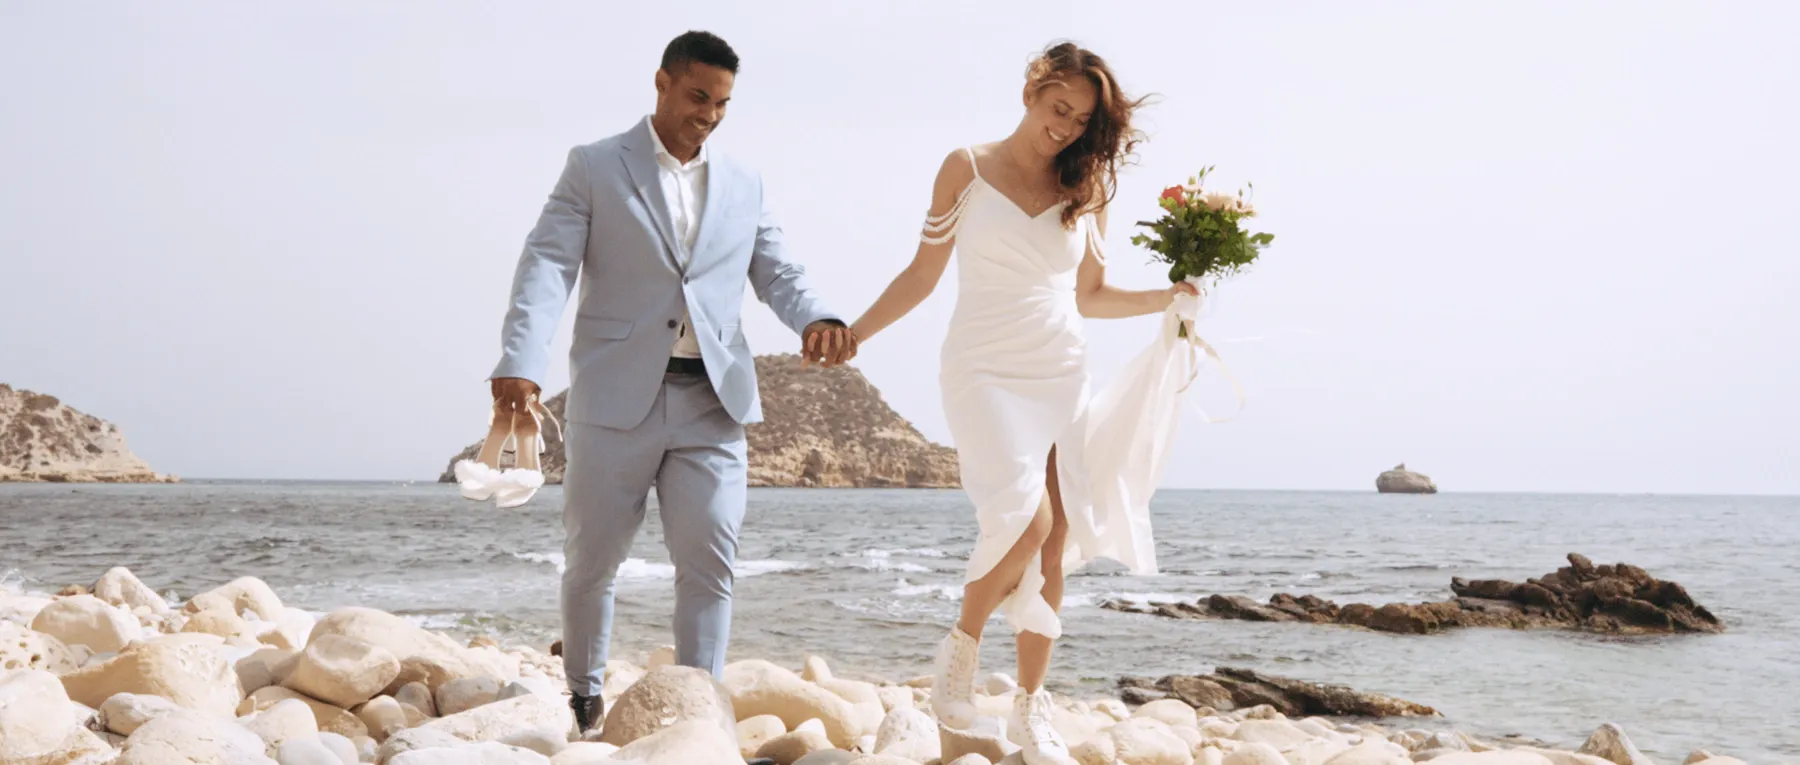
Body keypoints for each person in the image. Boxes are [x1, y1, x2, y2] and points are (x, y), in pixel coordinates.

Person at [485, 30, 857, 739]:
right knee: (593, 560)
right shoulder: (595, 166)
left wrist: (820, 317)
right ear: (661, 83)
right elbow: (546, 267)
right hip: (614, 396)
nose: (709, 114)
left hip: (712, 399)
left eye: (722, 103)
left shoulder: (744, 182)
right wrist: (520, 360)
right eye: (697, 97)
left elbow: (778, 271)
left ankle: (698, 710)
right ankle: (585, 700)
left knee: (711, 559)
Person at [849, 41, 1191, 763]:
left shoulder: (1087, 184)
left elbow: (1091, 297)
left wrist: (1173, 297)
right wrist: (857, 332)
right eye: (1057, 108)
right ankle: (960, 656)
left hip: (1062, 366)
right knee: (1024, 519)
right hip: (984, 367)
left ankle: (1033, 709)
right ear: (1032, 88)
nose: (1065, 127)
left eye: (1080, 119)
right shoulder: (965, 168)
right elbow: (922, 273)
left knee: (1055, 540)